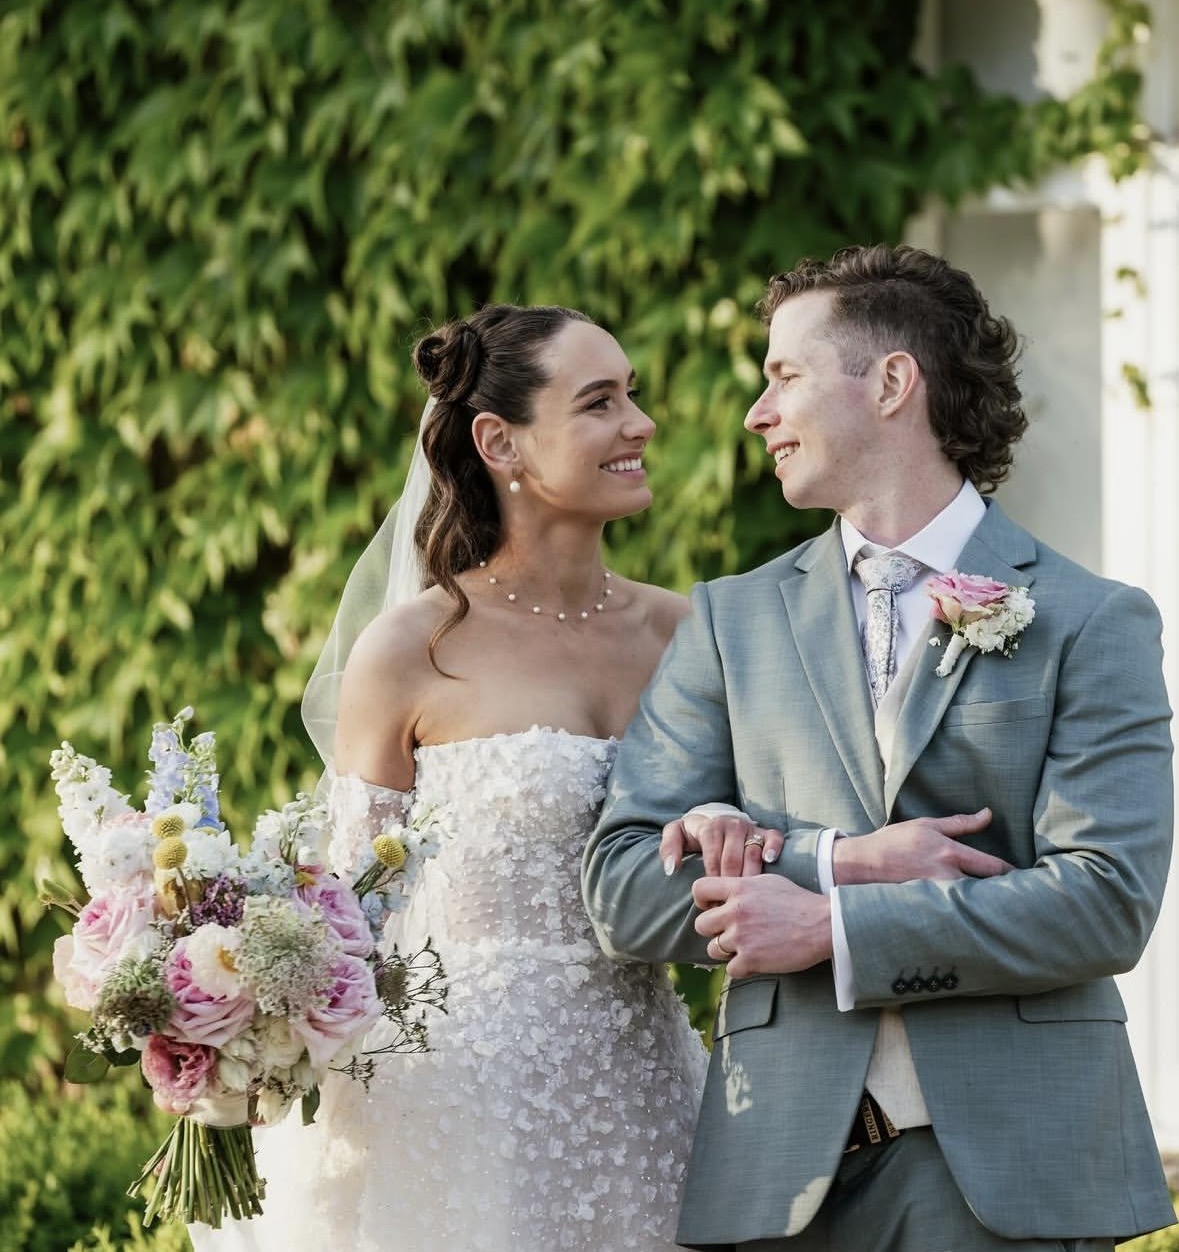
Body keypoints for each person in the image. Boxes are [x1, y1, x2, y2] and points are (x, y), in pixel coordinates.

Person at [583, 245, 1176, 1252]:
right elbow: (624, 886)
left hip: (1008, 1172)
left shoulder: (1091, 618)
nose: (756, 414)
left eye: (785, 376)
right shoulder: (732, 620)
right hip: (779, 1179)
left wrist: (835, 928)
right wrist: (822, 857)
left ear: (893, 382)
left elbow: (1105, 900)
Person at [191, 303, 708, 1252]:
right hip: (459, 1100)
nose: (638, 424)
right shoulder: (411, 650)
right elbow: (349, 911)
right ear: (498, 441)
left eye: (632, 396)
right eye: (600, 402)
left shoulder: (687, 636)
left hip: (648, 1086)